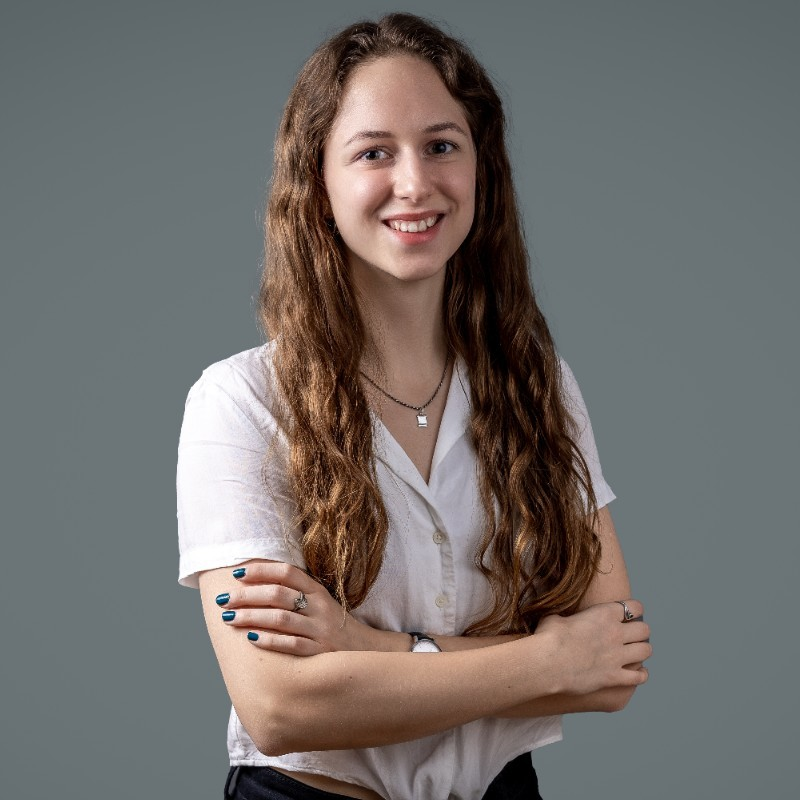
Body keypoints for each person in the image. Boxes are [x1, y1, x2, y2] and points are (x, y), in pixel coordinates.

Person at [177, 12, 651, 800]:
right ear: (317, 185)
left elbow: (612, 664)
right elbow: (280, 706)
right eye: (374, 152)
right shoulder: (242, 402)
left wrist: (369, 647)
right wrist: (545, 660)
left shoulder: (539, 383)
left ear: (481, 170)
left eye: (441, 146)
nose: (415, 183)